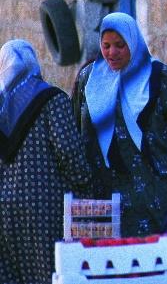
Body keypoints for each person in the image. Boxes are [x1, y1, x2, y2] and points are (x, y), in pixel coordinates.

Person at [72, 12, 167, 237]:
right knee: (107, 261)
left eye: (120, 45)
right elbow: (75, 127)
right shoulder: (89, 80)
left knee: (155, 259)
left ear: (133, 43)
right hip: (102, 191)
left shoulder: (159, 77)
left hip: (152, 191)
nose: (112, 53)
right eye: (106, 46)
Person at [0, 39, 91, 284]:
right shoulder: (52, 99)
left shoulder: (1, 106)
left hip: (4, 209)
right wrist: (86, 187)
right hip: (46, 207)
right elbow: (69, 151)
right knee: (51, 273)